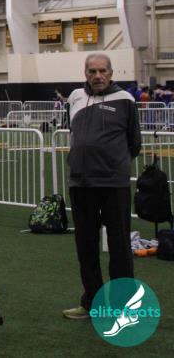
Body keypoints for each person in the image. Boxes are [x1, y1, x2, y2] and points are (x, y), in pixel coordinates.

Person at [62, 54, 141, 320]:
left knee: (120, 248)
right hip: (81, 183)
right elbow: (74, 134)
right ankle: (91, 304)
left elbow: (134, 143)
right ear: (85, 73)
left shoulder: (125, 100)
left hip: (113, 185)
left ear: (111, 73)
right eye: (92, 71)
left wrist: (114, 164)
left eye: (102, 71)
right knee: (86, 247)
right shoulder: (75, 98)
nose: (98, 76)